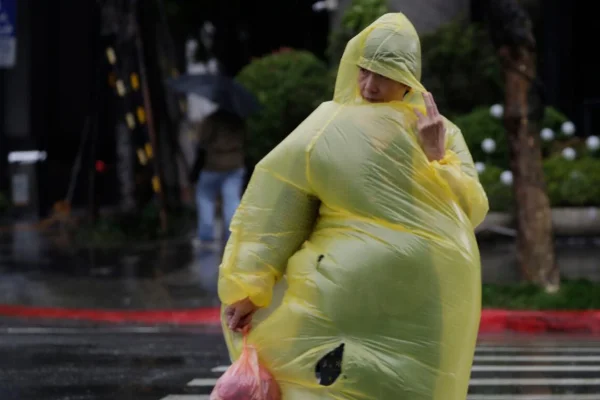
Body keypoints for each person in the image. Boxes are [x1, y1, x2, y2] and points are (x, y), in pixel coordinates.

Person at [218, 13, 489, 399]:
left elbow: (470, 209)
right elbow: (281, 205)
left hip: (417, 301)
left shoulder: (439, 131)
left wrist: (435, 156)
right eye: (364, 71)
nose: (370, 85)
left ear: (408, 77)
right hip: (337, 295)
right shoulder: (328, 125)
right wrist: (251, 285)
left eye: (383, 74)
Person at [189, 110, 246, 247]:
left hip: (213, 164)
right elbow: (246, 139)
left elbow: (201, 139)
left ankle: (206, 236)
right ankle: (232, 236)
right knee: (232, 200)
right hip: (235, 163)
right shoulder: (239, 119)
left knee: (205, 198)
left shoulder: (211, 119)